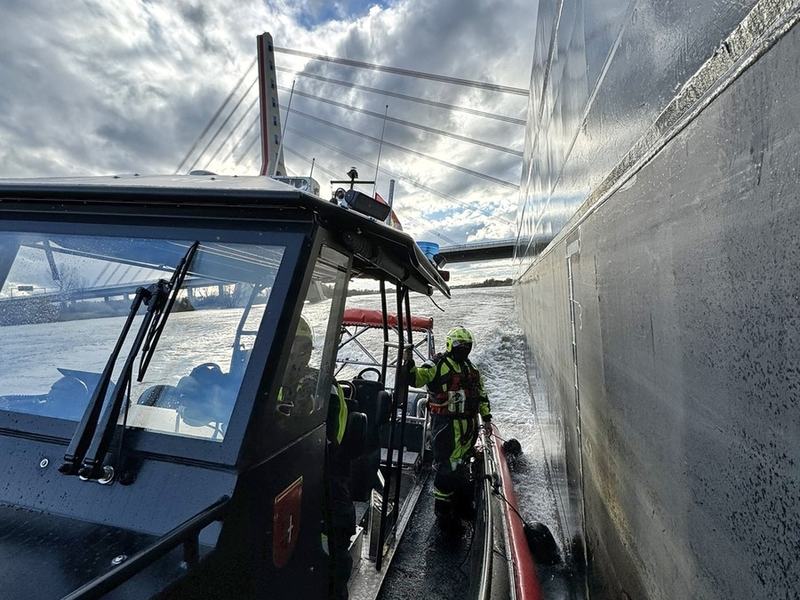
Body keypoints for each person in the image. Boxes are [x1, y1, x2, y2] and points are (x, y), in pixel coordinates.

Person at [405, 326, 491, 530]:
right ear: (451, 345)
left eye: (467, 346)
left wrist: (486, 418)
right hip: (446, 426)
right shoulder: (437, 365)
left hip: (468, 426)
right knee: (447, 467)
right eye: (460, 345)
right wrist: (408, 362)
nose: (464, 349)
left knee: (461, 464)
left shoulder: (471, 369)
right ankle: (443, 513)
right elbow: (416, 379)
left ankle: (461, 505)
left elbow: (481, 394)